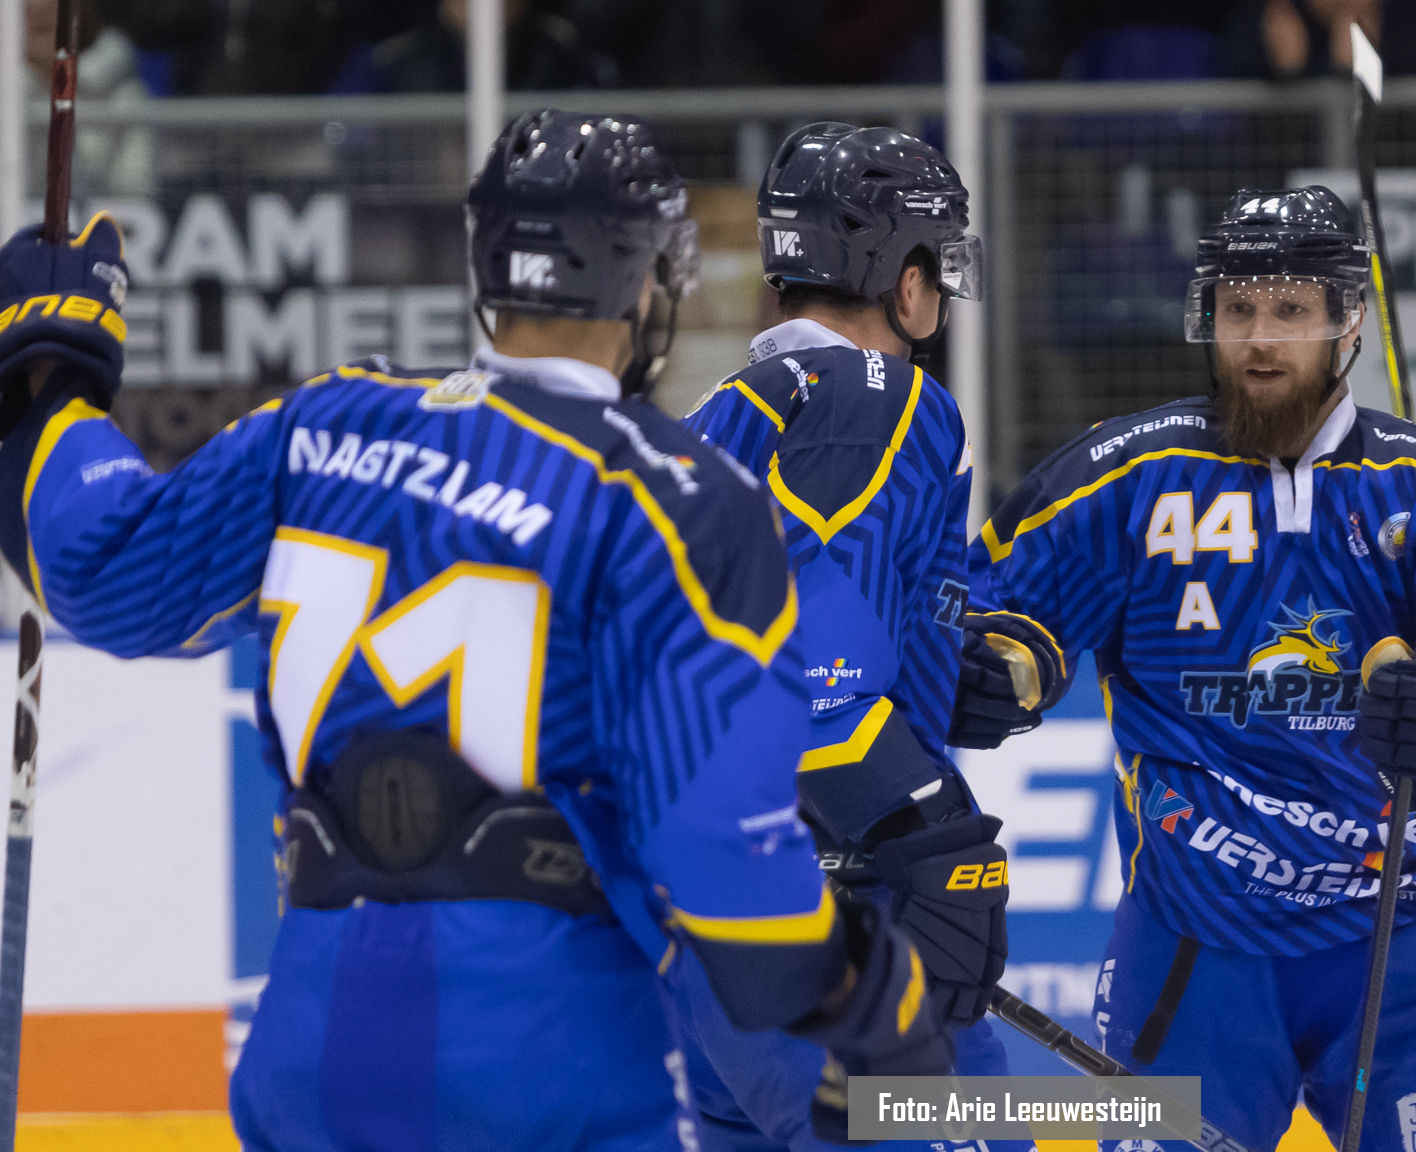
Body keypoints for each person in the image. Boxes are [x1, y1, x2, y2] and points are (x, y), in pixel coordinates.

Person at [0, 109, 948, 1151]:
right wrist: (864, 997)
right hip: (547, 1057)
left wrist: (54, 376)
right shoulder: (673, 495)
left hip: (310, 1048)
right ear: (646, 286)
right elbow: (719, 854)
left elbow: (94, 565)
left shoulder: (326, 423)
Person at [952, 186, 1416, 1152]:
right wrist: (1005, 669)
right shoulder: (1129, 474)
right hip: (1195, 958)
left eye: (1291, 310)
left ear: (1349, 322)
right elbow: (1000, 613)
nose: (1260, 340)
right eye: (1238, 310)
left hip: (1410, 956)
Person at [674, 119, 1020, 1152]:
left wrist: (931, 660)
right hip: (831, 936)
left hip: (713, 954)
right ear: (898, 275)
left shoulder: (716, 417)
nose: (940, 298)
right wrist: (929, 835)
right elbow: (808, 674)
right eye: (934, 264)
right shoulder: (878, 397)